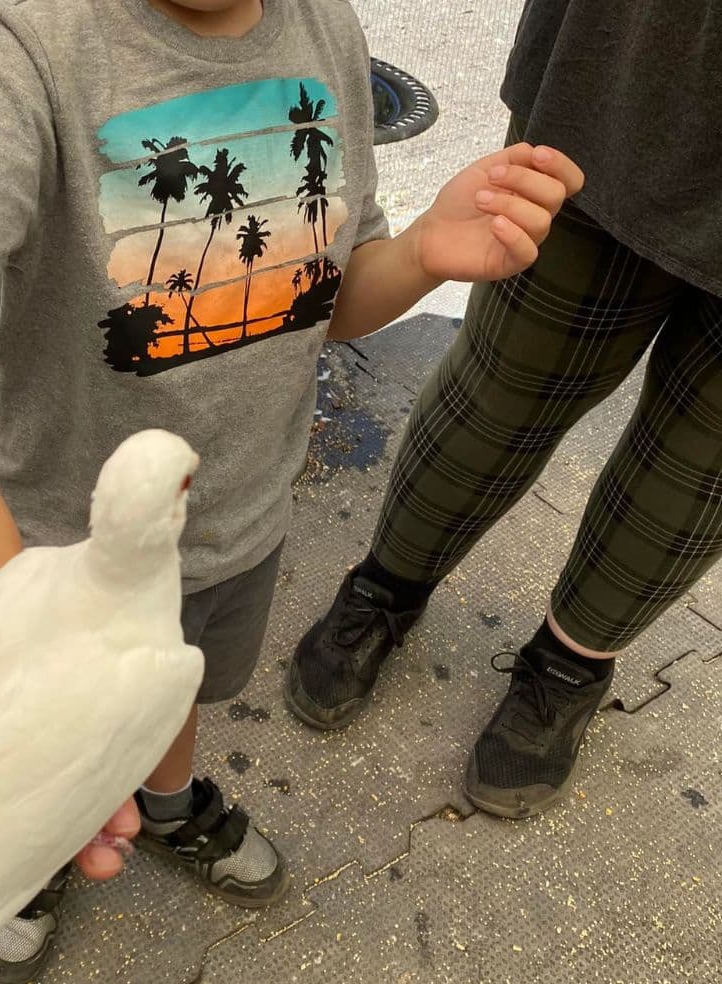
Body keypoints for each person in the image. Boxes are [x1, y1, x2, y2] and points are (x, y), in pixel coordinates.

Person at [0, 0, 581, 984]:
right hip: (62, 551)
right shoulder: (29, 39)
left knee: (177, 684)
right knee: (46, 750)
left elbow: (323, 294)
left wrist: (415, 256)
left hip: (238, 519)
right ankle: (33, 853)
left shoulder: (325, 31)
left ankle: (168, 802)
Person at [288, 0, 721, 819]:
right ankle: (388, 586)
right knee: (507, 385)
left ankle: (570, 665)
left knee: (703, 463)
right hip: (631, 77)